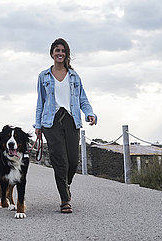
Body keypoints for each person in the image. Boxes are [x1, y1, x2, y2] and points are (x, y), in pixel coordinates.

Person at [34, 38, 97, 214]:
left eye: (63, 51)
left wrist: (89, 113)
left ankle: (65, 185)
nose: (60, 53)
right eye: (57, 50)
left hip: (71, 120)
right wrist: (38, 125)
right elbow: (41, 101)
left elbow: (82, 98)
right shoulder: (43, 76)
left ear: (66, 54)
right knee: (59, 160)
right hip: (51, 122)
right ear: (52, 54)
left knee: (72, 161)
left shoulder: (74, 76)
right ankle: (64, 200)